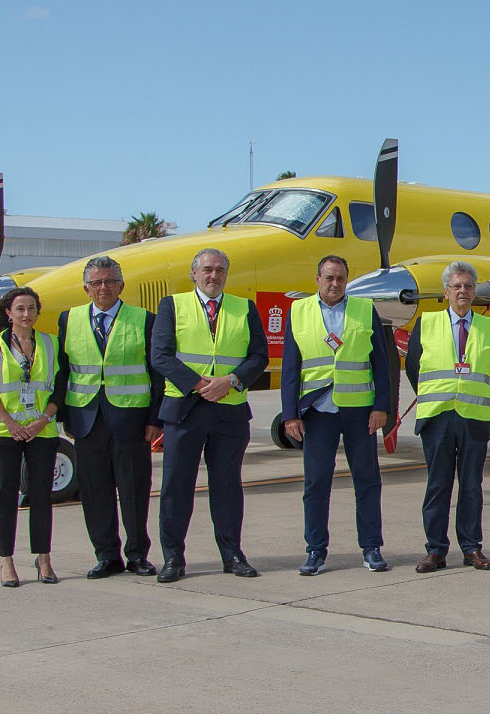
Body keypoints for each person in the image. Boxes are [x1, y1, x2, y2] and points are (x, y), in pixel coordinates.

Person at [150, 248, 268, 583]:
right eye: (206, 270)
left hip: (228, 411)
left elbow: (259, 355)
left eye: (219, 270)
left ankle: (232, 554)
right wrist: (200, 384)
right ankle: (173, 557)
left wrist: (230, 381)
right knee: (176, 487)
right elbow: (160, 356)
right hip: (185, 410)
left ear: (226, 275)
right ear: (194, 274)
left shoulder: (244, 308)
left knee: (227, 486)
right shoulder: (172, 306)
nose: (213, 276)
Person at [281, 255, 393, 576]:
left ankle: (371, 547)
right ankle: (315, 550)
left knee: (367, 481)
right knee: (316, 483)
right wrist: (291, 414)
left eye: (340, 279)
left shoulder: (364, 309)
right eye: (329, 278)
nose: (334, 284)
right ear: (317, 278)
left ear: (347, 280)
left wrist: (381, 406)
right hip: (318, 411)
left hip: (359, 411)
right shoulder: (298, 311)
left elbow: (380, 363)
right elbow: (291, 367)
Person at [56, 255, 162, 579]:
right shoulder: (68, 319)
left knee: (134, 490)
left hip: (130, 419)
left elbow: (156, 373)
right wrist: (64, 417)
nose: (104, 287)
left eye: (110, 282)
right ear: (86, 288)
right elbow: (63, 371)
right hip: (87, 420)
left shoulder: (144, 319)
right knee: (94, 491)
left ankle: (137, 555)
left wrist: (155, 420)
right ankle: (106, 556)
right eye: (97, 282)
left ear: (122, 286)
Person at [407, 261, 490, 573]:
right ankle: (435, 550)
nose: (463, 291)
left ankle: (472, 548)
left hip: (473, 418)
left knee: (472, 486)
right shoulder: (426, 324)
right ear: (446, 291)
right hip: (437, 416)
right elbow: (413, 367)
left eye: (468, 286)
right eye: (457, 286)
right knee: (438, 485)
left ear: (474, 292)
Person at [0, 287, 63, 587]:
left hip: (41, 430)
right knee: (5, 494)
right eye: (20, 309)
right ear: (9, 313)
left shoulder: (50, 343)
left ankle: (44, 557)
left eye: (31, 309)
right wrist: (10, 423)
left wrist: (43, 419)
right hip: (2, 431)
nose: (26, 314)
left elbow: (60, 388)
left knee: (41, 495)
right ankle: (6, 561)